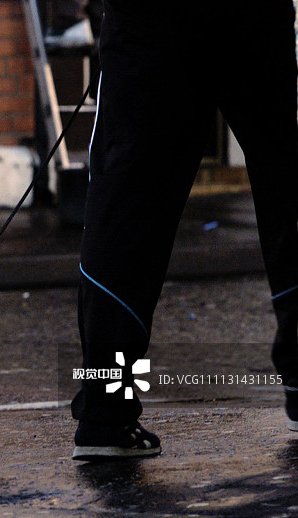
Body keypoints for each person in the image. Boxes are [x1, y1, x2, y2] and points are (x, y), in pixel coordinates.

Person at [71, 0, 298, 460]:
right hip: (251, 14)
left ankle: (105, 408)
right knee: (288, 186)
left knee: (125, 204)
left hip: (148, 20)